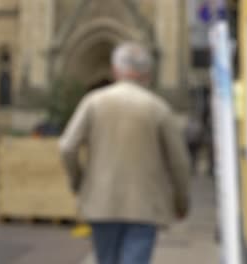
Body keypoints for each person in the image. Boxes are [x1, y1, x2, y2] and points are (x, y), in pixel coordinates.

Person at [59, 42, 191, 264]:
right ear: (147, 74)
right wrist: (181, 202)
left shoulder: (93, 102)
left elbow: (67, 147)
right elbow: (179, 162)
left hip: (101, 202)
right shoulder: (158, 108)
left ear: (115, 70)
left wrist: (78, 181)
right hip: (144, 205)